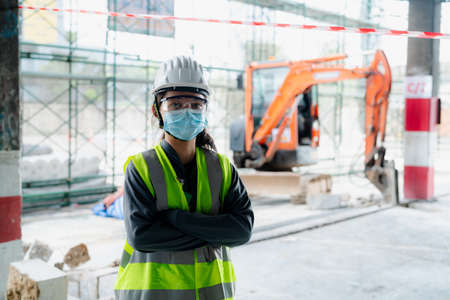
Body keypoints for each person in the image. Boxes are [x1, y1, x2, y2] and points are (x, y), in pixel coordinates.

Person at [114, 55, 254, 300]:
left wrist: (174, 218)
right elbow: (143, 236)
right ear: (157, 110)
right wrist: (214, 231)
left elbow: (241, 231)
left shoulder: (222, 168)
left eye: (196, 104)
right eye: (175, 105)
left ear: (205, 109)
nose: (187, 112)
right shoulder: (141, 167)